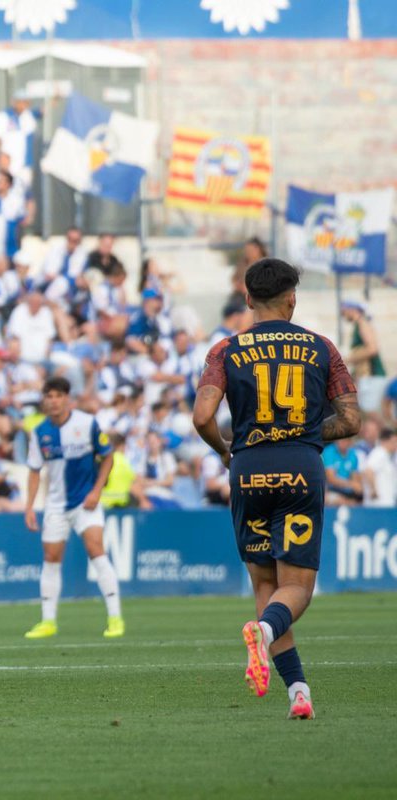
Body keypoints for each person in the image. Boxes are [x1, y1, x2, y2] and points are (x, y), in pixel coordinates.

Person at [193, 257, 360, 721]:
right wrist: (304, 432)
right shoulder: (322, 348)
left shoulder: (225, 350)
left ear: (248, 298)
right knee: (297, 590)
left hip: (247, 469)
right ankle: (264, 636)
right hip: (300, 468)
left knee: (267, 587)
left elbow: (202, 417)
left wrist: (227, 451)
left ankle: (298, 692)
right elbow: (350, 420)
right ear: (292, 299)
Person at [23, 376, 124, 640]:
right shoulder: (39, 432)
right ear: (44, 400)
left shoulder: (87, 423)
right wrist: (30, 507)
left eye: (58, 395)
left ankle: (115, 617)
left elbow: (108, 456)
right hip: (56, 505)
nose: (54, 401)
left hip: (85, 502)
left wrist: (96, 490)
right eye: (49, 396)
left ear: (67, 398)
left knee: (96, 551)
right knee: (51, 559)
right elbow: (34, 471)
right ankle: (48, 621)